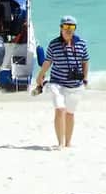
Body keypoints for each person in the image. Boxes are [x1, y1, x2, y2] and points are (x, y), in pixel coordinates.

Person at [32, 14, 88, 149]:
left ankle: (68, 142)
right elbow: (48, 61)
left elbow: (85, 61)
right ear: (61, 28)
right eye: (66, 26)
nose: (69, 29)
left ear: (75, 28)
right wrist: (40, 75)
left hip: (75, 85)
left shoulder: (81, 43)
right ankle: (60, 143)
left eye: (72, 26)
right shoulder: (54, 44)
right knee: (60, 109)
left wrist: (85, 78)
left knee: (70, 113)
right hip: (57, 83)